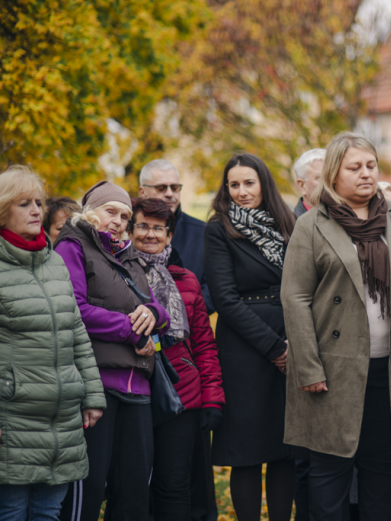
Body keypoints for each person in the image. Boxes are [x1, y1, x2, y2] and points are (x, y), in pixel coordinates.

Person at [281, 131, 391, 521]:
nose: (366, 174)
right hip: (330, 370)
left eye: (371, 166)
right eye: (354, 167)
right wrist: (307, 367)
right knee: (329, 477)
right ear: (333, 175)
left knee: (382, 474)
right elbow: (295, 298)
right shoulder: (312, 225)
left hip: (388, 369)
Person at [55, 180, 170, 521]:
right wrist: (131, 331)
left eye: (124, 215)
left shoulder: (127, 254)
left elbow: (155, 308)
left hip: (139, 388)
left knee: (134, 493)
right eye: (111, 212)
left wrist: (153, 315)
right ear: (90, 212)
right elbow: (73, 309)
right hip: (96, 387)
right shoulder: (72, 246)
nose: (119, 221)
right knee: (88, 492)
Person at [0, 166, 105, 521]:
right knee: (12, 512)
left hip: (62, 420)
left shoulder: (55, 263)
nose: (35, 210)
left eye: (39, 203)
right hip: (14, 417)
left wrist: (91, 395)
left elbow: (77, 333)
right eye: (23, 203)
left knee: (48, 513)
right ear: (3, 210)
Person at [204, 152, 299, 521]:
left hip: (292, 339)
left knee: (285, 448)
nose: (242, 192)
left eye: (249, 183)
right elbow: (225, 299)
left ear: (263, 184)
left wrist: (294, 344)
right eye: (234, 185)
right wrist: (273, 348)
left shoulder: (287, 222)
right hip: (246, 348)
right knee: (246, 451)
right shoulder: (219, 228)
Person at [129, 197, 225, 521]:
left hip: (182, 397)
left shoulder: (186, 279)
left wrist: (212, 400)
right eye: (143, 226)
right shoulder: (117, 275)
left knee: (174, 488)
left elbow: (203, 346)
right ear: (131, 229)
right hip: (132, 393)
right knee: (130, 488)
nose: (151, 234)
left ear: (170, 235)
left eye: (160, 228)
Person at [138, 159, 213, 314]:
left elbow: (213, 289)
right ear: (142, 192)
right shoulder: (128, 231)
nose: (170, 193)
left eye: (175, 187)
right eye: (161, 188)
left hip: (191, 329)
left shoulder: (202, 232)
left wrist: (180, 316)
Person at [293, 148, 326, 217]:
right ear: (302, 186)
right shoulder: (292, 226)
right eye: (320, 178)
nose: (330, 182)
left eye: (332, 176)